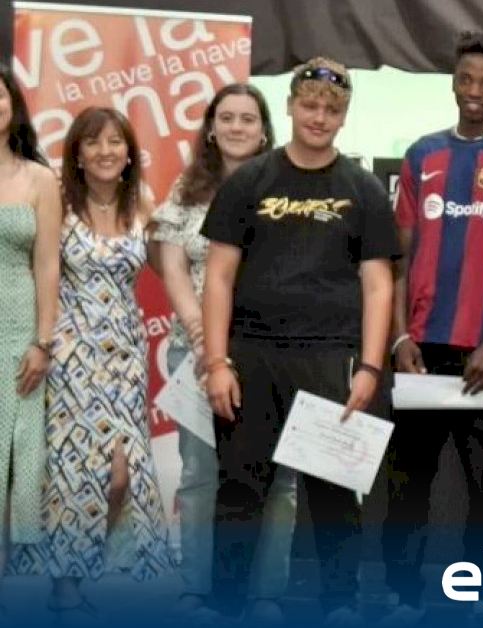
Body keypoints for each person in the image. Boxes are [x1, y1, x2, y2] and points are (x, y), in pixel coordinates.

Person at [201, 57, 399, 625]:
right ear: (289, 107)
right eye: (309, 105)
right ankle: (226, 607)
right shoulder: (248, 182)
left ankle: (339, 606)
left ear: (344, 116)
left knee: (333, 493)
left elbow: (378, 284)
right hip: (250, 357)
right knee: (240, 489)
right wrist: (217, 362)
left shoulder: (363, 189)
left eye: (330, 110)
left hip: (331, 359)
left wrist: (369, 368)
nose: (318, 117)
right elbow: (218, 276)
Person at [382, 30, 483, 624]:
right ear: (453, 82)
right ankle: (402, 596)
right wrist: (400, 337)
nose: (476, 90)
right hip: (420, 351)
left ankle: (474, 600)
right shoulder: (421, 154)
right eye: (467, 79)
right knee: (407, 482)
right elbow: (399, 258)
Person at [8, 107, 170, 620]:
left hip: (124, 352)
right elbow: (39, 267)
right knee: (72, 470)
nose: (105, 152)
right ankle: (65, 583)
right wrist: (40, 339)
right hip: (70, 351)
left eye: (115, 142)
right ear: (77, 154)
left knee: (121, 473)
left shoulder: (142, 203)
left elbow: (171, 269)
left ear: (129, 153)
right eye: (93, 143)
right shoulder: (60, 199)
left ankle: (79, 569)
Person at [148, 82, 298, 622]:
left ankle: (265, 593)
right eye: (227, 117)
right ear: (211, 127)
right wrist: (201, 336)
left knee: (279, 477)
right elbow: (171, 263)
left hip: (269, 352)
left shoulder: (287, 190)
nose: (236, 127)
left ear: (264, 130)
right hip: (194, 354)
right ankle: (198, 587)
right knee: (199, 474)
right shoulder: (187, 189)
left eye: (247, 118)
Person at [0, 61, 62, 619]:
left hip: (19, 332)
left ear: (13, 105)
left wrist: (43, 342)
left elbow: (47, 266)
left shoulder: (40, 179)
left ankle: (16, 585)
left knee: (19, 453)